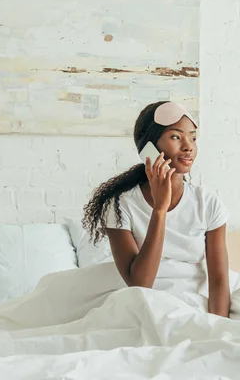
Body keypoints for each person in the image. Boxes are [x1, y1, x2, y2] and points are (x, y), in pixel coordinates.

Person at [82, 101, 231, 317]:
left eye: (193, 137)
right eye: (176, 137)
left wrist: (220, 330)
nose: (188, 146)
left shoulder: (208, 204)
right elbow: (140, 283)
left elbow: (218, 281)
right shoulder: (119, 206)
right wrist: (160, 210)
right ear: (149, 148)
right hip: (145, 307)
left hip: (195, 307)